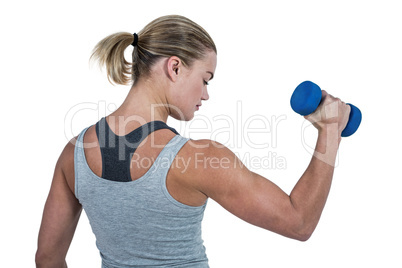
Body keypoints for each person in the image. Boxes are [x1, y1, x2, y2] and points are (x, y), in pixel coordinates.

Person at [36, 15, 351, 268]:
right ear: (174, 67)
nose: (205, 94)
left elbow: (47, 259)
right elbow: (298, 222)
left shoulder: (74, 153)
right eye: (205, 78)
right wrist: (330, 131)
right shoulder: (197, 159)